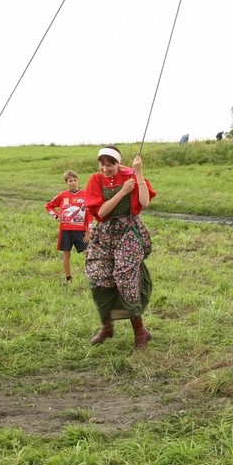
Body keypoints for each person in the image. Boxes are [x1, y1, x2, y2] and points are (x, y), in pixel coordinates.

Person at [84, 146, 155, 350]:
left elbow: (145, 201)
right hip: (105, 233)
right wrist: (123, 192)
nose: (105, 168)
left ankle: (140, 332)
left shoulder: (131, 175)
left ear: (118, 163)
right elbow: (102, 212)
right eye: (102, 164)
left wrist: (139, 172)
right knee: (98, 276)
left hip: (129, 232)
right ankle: (107, 326)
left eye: (110, 164)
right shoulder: (96, 180)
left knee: (125, 277)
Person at [46, 170, 92, 282]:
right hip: (65, 230)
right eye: (70, 181)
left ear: (78, 181)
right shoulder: (62, 195)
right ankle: (68, 278)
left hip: (80, 230)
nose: (73, 183)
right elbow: (48, 206)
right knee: (66, 254)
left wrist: (89, 231)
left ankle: (92, 276)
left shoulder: (85, 194)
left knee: (89, 254)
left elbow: (89, 214)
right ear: (66, 182)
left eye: (75, 180)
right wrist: (56, 215)